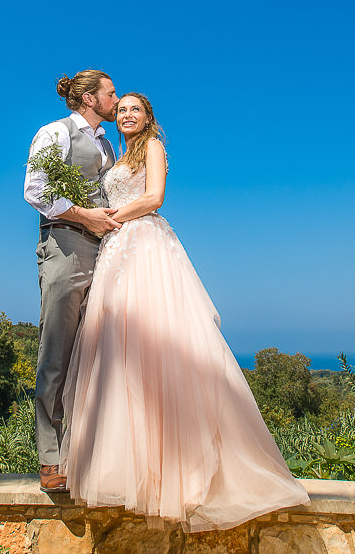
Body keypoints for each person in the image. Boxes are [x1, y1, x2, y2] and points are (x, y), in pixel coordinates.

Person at [59, 92, 310, 531]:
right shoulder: (116, 156)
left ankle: (181, 469)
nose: (127, 114)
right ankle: (135, 466)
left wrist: (112, 216)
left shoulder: (153, 147)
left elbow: (155, 197)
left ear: (148, 117)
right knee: (121, 350)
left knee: (160, 342)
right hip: (117, 250)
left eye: (134, 109)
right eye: (121, 110)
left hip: (144, 245)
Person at [23, 69, 122, 492]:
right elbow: (35, 190)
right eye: (111, 93)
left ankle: (87, 455)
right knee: (57, 352)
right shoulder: (55, 133)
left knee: (96, 356)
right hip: (65, 246)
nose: (116, 100)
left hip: (106, 254)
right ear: (89, 98)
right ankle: (51, 460)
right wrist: (85, 216)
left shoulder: (108, 145)